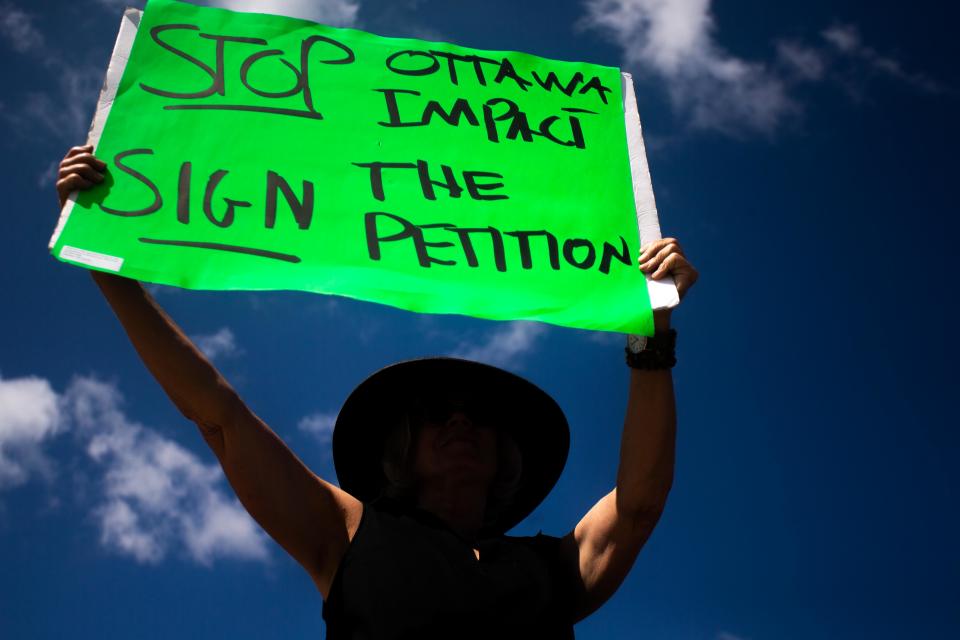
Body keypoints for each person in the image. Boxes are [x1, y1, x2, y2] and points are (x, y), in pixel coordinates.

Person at [55, 144, 699, 639]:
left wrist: (652, 331)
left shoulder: (555, 568)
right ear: (400, 447)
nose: (461, 423)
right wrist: (107, 265)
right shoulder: (346, 531)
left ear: (508, 453)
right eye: (437, 414)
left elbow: (639, 504)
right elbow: (220, 416)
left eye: (478, 417)